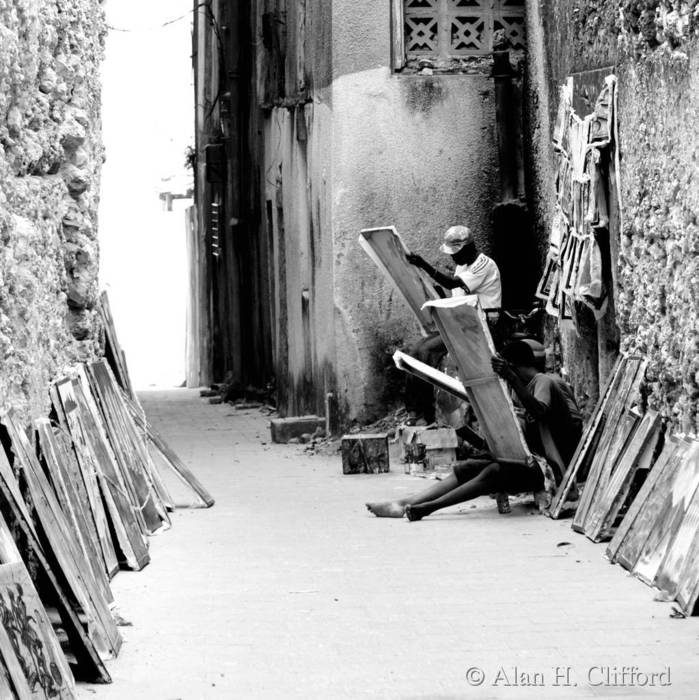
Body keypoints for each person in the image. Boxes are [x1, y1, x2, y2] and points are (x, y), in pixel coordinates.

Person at [366, 340, 582, 521]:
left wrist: (512, 379)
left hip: (552, 469)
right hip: (531, 461)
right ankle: (407, 502)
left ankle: (429, 507)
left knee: (495, 472)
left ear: (513, 366)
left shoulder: (544, 381)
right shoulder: (519, 391)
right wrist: (472, 429)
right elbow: (513, 438)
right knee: (470, 467)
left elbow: (540, 411)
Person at [403, 225, 502, 425]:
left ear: (468, 248)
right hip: (462, 324)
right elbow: (456, 297)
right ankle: (415, 411)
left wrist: (423, 264)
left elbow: (452, 284)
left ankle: (425, 413)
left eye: (456, 254)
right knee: (414, 351)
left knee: (426, 352)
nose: (453, 259)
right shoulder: (462, 266)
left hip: (480, 327)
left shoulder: (483, 264)